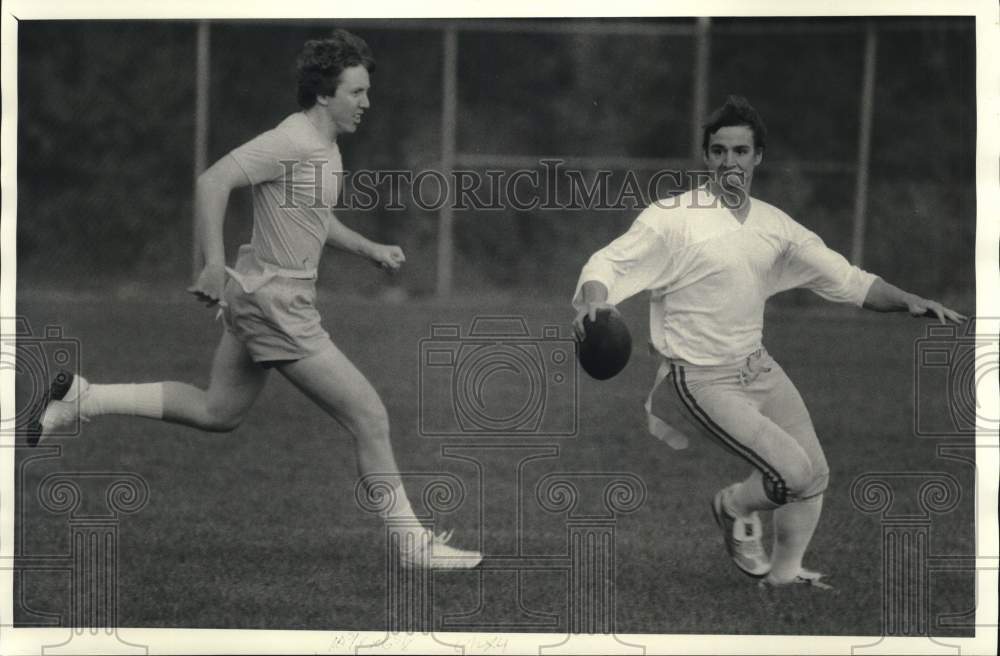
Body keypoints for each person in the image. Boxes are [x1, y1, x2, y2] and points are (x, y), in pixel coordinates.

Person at [30, 29, 482, 570]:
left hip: (259, 294)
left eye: (366, 91)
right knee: (369, 415)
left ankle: (85, 399)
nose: (367, 102)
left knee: (218, 411)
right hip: (274, 302)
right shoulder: (291, 141)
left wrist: (369, 249)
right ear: (323, 95)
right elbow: (212, 181)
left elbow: (314, 217)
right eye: (356, 92)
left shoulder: (326, 148)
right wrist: (213, 263)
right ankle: (414, 547)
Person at [571, 95, 965, 588]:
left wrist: (909, 299)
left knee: (814, 473)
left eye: (740, 151)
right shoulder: (671, 218)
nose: (729, 161)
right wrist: (594, 298)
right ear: (706, 156)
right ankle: (733, 507)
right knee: (792, 476)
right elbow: (606, 263)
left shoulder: (775, 225)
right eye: (718, 151)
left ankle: (783, 579)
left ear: (758, 157)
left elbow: (848, 279)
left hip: (757, 367)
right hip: (702, 377)